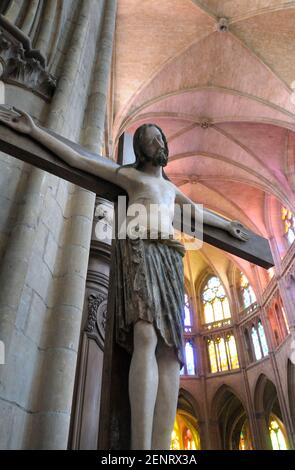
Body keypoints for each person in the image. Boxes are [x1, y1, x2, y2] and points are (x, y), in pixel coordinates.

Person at [0, 107, 249, 449]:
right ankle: (140, 446)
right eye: (149, 140)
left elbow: (196, 212)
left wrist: (229, 225)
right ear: (140, 150)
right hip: (140, 249)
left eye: (160, 137)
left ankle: (161, 450)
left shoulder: (169, 188)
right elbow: (78, 159)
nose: (157, 142)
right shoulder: (131, 177)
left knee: (170, 350)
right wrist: (34, 131)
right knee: (145, 334)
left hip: (170, 258)